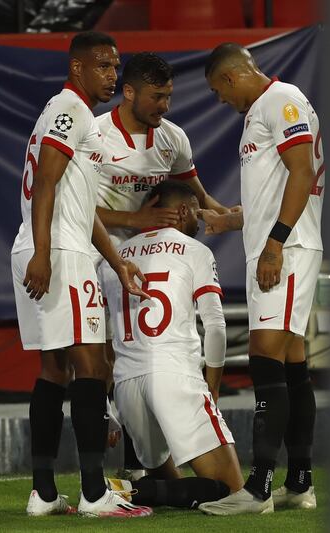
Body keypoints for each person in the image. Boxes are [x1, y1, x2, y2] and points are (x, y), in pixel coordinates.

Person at [11, 31, 152, 519]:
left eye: (117, 66)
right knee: (91, 367)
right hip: (58, 253)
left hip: (51, 246)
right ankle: (95, 492)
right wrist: (46, 254)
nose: (114, 74)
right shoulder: (69, 109)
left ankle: (44, 494)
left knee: (54, 371)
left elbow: (79, 202)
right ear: (78, 68)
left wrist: (115, 260)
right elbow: (45, 182)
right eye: (105, 66)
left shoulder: (74, 116)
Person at [93, 52, 241, 474]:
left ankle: (137, 471)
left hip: (151, 260)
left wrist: (229, 217)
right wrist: (132, 220)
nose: (165, 106)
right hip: (100, 256)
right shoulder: (96, 137)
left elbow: (200, 197)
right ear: (129, 92)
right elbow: (75, 208)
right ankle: (104, 467)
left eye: (169, 96)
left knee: (137, 357)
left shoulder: (173, 138)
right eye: (157, 97)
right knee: (100, 356)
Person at [197, 42, 323, 515]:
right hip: (274, 245)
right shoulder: (260, 114)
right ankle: (300, 482)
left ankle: (258, 489)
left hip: (285, 250)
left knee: (264, 357)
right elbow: (278, 189)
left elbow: (302, 172)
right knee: (291, 365)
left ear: (231, 78)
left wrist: (274, 244)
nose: (220, 102)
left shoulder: (281, 100)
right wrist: (233, 221)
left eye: (217, 91)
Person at [99, 179, 244, 508]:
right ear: (182, 211)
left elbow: (102, 342)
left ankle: (121, 489)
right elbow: (216, 327)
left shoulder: (114, 258)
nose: (201, 218)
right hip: (176, 377)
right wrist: (214, 386)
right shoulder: (195, 251)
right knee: (234, 492)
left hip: (127, 388)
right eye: (197, 212)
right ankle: (124, 492)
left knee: (173, 484)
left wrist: (106, 408)